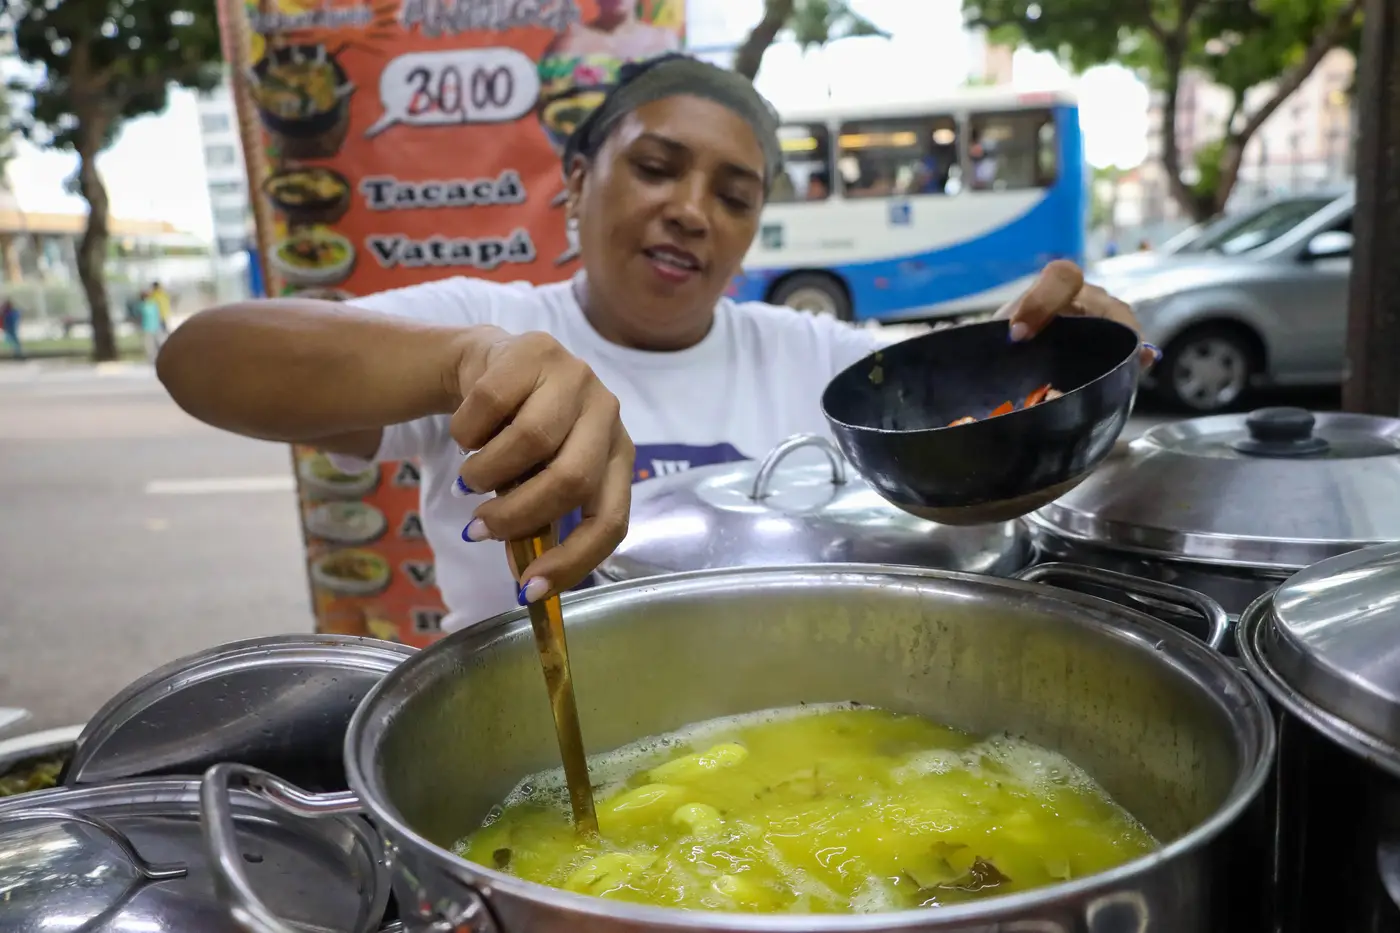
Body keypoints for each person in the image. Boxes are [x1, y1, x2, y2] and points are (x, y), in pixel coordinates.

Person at [158, 54, 1157, 636]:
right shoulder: (489, 320)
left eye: (732, 196)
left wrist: (1075, 353)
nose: (689, 212)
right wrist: (457, 361)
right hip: (526, 751)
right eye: (654, 169)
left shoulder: (808, 357)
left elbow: (986, 417)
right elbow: (201, 358)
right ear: (577, 179)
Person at [137, 290, 164, 362]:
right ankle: (156, 358)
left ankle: (153, 358)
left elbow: (139, 317)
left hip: (148, 327)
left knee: (150, 345)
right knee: (156, 343)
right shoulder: (153, 305)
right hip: (154, 327)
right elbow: (158, 315)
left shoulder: (142, 306)